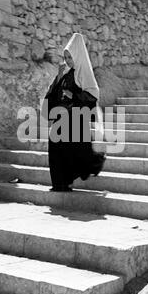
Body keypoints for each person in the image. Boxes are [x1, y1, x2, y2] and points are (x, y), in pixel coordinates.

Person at [43, 33, 106, 192]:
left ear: (77, 56)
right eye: (65, 57)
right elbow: (53, 92)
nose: (68, 61)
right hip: (62, 117)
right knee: (56, 147)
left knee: (78, 152)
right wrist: (57, 79)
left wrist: (74, 96)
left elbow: (92, 95)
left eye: (70, 57)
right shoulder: (65, 73)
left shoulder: (83, 72)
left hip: (77, 119)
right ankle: (61, 183)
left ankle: (95, 162)